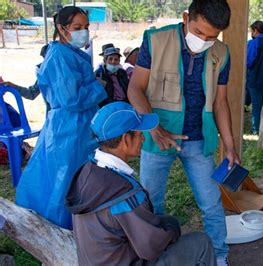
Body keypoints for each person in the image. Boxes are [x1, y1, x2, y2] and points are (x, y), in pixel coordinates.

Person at [127, 1, 238, 265]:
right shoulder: (156, 40)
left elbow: (220, 102)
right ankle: (157, 256)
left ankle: (219, 257)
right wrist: (154, 128)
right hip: (157, 139)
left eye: (213, 37)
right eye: (199, 33)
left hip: (199, 140)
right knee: (151, 204)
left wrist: (230, 145)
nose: (205, 41)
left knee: (211, 204)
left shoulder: (221, 53)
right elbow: (135, 89)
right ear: (187, 17)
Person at [66, 102, 216, 265]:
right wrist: (172, 231)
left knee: (167, 222)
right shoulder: (125, 194)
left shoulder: (87, 170)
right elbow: (150, 248)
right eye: (139, 134)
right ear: (125, 139)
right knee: (201, 242)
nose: (144, 138)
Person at [15, 6, 107, 229]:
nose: (84, 32)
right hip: (69, 125)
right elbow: (71, 99)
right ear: (61, 28)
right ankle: (62, 226)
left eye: (86, 27)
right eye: (78, 27)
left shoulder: (72, 53)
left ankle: (78, 222)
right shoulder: (59, 55)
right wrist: (97, 87)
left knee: (75, 174)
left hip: (77, 123)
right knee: (65, 177)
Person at [246, 20, 263, 134]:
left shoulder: (254, 43)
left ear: (255, 30)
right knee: (260, 104)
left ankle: (256, 128)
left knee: (256, 105)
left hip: (254, 78)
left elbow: (249, 62)